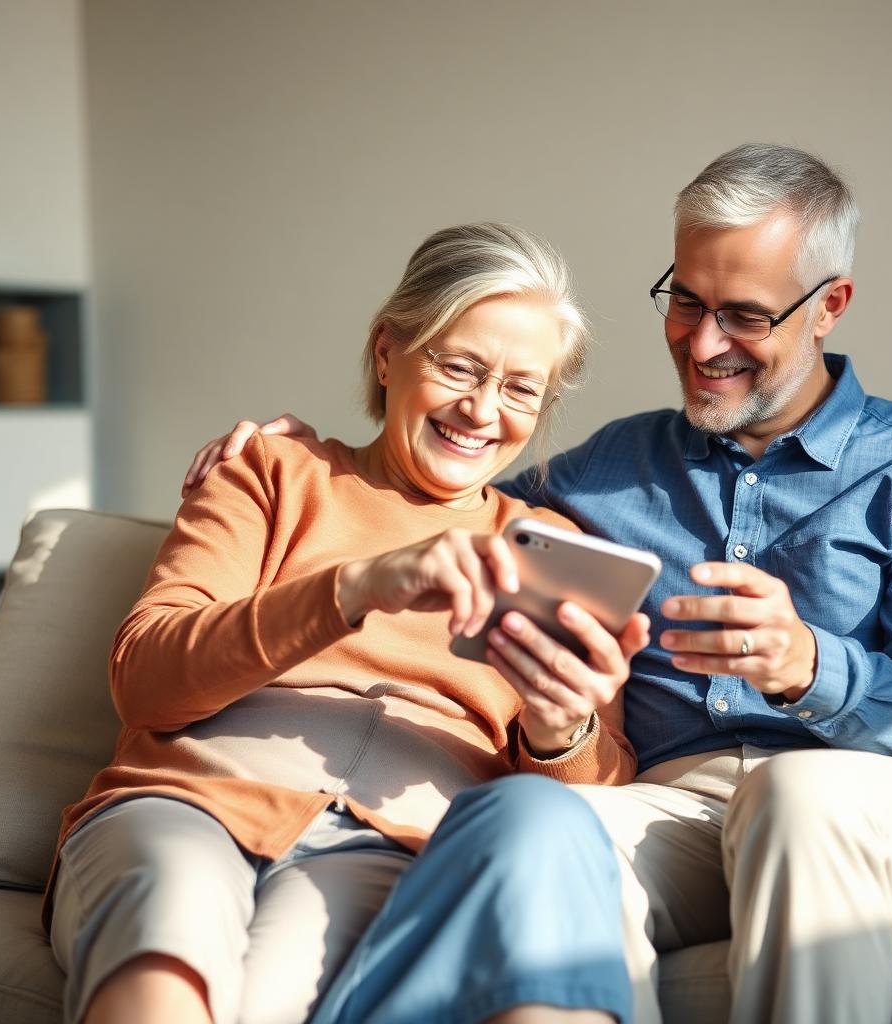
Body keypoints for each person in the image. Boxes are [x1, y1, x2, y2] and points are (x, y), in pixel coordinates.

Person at [190, 144, 892, 1024]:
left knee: (796, 799)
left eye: (743, 315)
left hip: (884, 804)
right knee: (529, 824)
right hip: (676, 806)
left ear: (830, 308)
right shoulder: (607, 470)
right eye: (686, 301)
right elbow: (442, 499)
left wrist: (812, 664)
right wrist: (316, 453)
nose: (703, 344)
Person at [47, 222, 652, 1024]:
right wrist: (357, 586)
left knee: (270, 998)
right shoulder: (272, 471)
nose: (481, 409)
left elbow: (581, 824)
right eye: (458, 365)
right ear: (386, 352)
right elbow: (146, 680)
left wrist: (559, 729)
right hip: (188, 799)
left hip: (388, 846)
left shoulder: (552, 551)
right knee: (166, 933)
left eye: (520, 389)